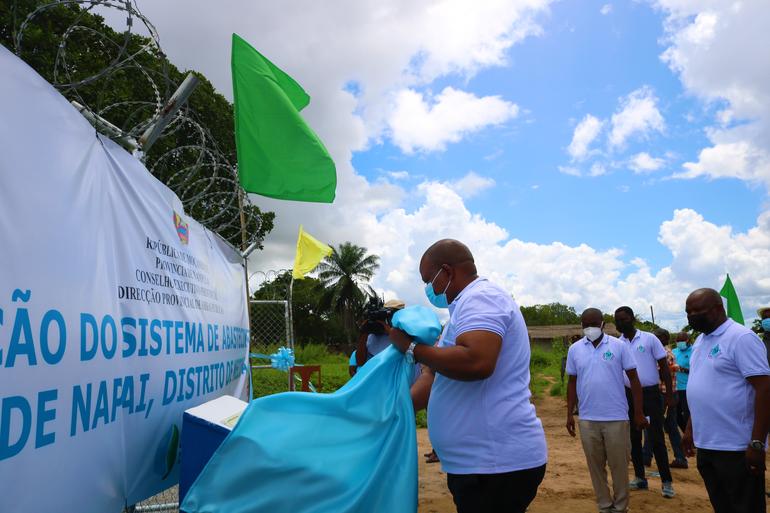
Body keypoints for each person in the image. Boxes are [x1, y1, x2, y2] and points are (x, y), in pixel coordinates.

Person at [386, 239, 547, 513]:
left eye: (429, 280)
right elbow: (433, 378)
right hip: (480, 466)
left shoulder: (481, 298)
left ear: (447, 272)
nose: (428, 290)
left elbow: (477, 362)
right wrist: (389, 409)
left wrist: (412, 348)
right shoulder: (460, 312)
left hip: (495, 466)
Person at [682, 288, 770, 513]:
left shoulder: (741, 338)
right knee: (722, 506)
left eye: (698, 310)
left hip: (737, 446)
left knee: (745, 507)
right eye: (688, 312)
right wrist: (691, 428)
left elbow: (764, 389)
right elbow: (701, 388)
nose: (692, 316)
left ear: (718, 308)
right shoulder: (701, 340)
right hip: (707, 443)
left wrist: (757, 442)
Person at [566, 308, 647, 513]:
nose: (589, 328)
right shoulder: (575, 349)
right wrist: (569, 413)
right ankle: (604, 505)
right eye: (585, 324)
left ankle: (620, 507)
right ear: (581, 325)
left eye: (593, 324)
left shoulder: (618, 346)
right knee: (595, 467)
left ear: (603, 324)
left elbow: (635, 380)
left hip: (616, 417)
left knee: (619, 466)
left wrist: (638, 412)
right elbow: (572, 382)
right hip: (587, 418)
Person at [614, 306, 676, 498]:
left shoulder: (649, 339)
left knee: (656, 437)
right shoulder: (618, 343)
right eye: (617, 320)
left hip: (650, 394)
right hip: (628, 395)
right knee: (633, 438)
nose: (620, 323)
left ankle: (666, 481)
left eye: (623, 319)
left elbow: (664, 367)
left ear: (632, 319)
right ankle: (640, 478)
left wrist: (669, 394)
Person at [644, 328, 688, 469]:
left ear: (663, 338)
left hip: (663, 394)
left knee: (652, 425)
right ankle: (680, 458)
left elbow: (661, 374)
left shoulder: (664, 353)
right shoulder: (666, 352)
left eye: (656, 337)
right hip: (669, 394)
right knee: (671, 427)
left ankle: (646, 456)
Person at [355, 299, 406, 367]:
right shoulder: (372, 336)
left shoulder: (406, 334)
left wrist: (389, 331)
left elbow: (407, 352)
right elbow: (360, 362)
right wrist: (363, 332)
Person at [671, 331, 692, 434]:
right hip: (675, 388)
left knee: (687, 414)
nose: (679, 343)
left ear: (688, 340)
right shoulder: (674, 351)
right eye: (678, 341)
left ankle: (693, 437)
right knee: (676, 415)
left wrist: (682, 369)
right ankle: (686, 434)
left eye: (682, 341)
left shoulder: (694, 351)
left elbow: (697, 370)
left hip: (687, 387)